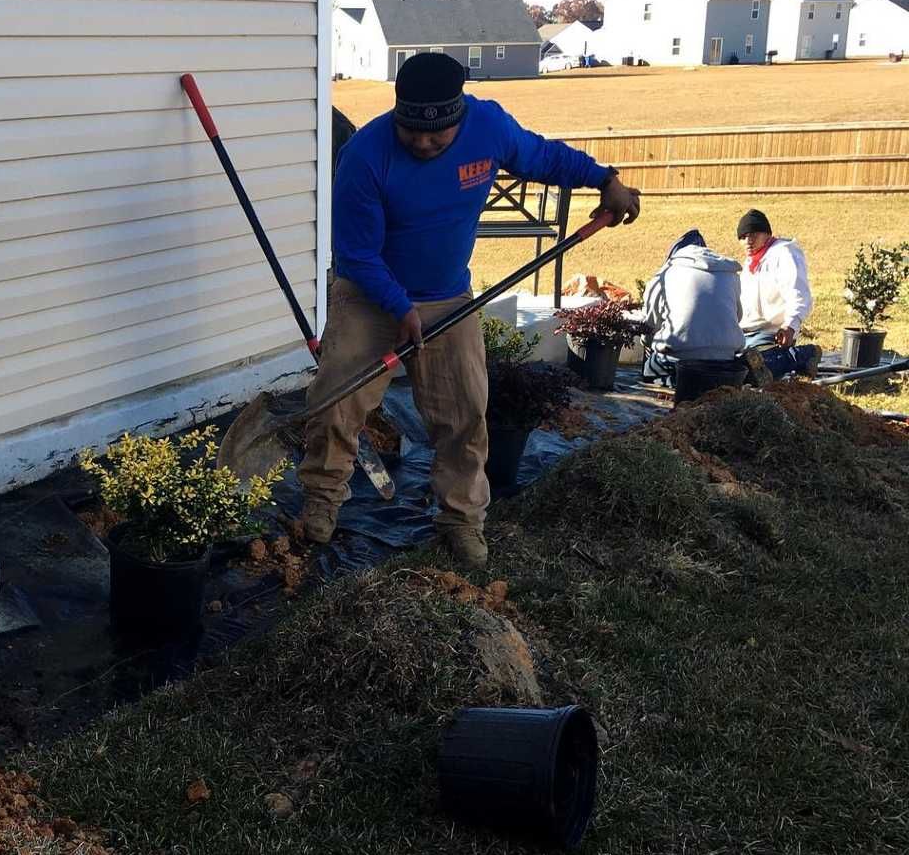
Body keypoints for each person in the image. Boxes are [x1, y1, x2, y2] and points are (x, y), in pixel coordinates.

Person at [298, 52, 641, 566]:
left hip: (449, 297)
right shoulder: (366, 156)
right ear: (398, 114)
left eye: (437, 135)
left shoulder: (488, 127)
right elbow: (357, 255)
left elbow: (544, 157)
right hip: (370, 297)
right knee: (335, 405)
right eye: (412, 131)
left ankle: (461, 519)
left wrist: (603, 178)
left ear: (458, 115)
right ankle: (321, 503)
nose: (424, 142)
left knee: (464, 415)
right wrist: (400, 309)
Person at [639, 229, 747, 388]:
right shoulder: (729, 273)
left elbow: (649, 326)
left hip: (680, 361)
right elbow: (738, 316)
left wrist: (648, 344)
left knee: (649, 368)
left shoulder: (664, 274)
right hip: (726, 363)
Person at [735, 209, 820, 379]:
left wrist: (790, 326)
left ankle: (802, 355)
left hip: (774, 334)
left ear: (767, 234)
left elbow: (798, 293)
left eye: (753, 234)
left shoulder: (784, 253)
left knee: (753, 370)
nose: (748, 241)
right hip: (748, 333)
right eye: (743, 237)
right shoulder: (751, 262)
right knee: (732, 368)